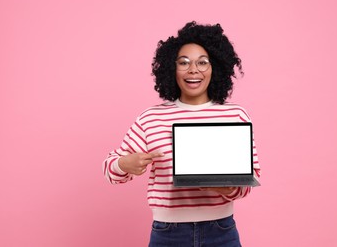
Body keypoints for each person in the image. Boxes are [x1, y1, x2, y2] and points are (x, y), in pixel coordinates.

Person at [103, 21, 261, 247]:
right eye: (183, 62)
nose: (193, 69)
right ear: (171, 68)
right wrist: (125, 164)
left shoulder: (235, 115)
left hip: (221, 231)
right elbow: (110, 169)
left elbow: (250, 178)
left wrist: (226, 187)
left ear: (215, 67)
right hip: (168, 233)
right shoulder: (151, 118)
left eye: (202, 62)